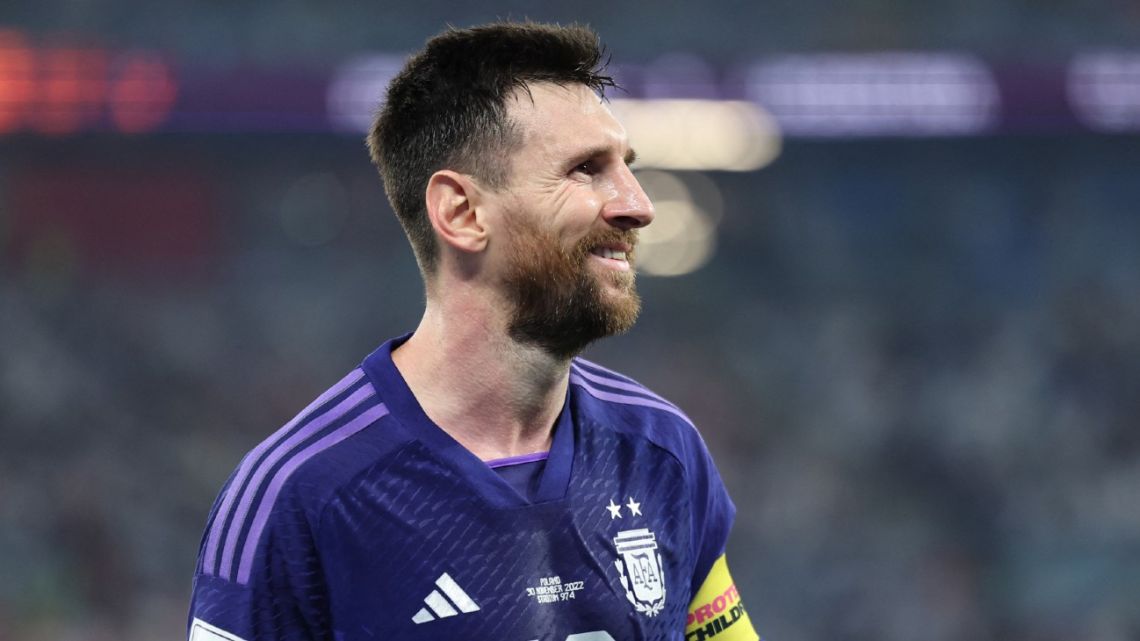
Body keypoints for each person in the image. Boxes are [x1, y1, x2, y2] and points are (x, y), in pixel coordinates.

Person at [188, 21, 759, 641]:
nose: (637, 204)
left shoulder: (663, 452)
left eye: (627, 166)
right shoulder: (300, 497)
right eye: (586, 169)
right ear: (461, 213)